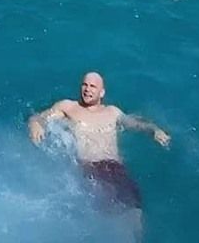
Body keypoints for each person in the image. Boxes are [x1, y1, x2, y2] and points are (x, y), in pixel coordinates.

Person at [28, 72, 170, 239]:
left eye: (93, 86)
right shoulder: (68, 108)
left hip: (117, 169)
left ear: (102, 92)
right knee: (111, 214)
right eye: (85, 85)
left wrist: (153, 130)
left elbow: (135, 123)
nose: (87, 89)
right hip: (91, 169)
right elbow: (40, 117)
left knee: (135, 212)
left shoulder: (112, 112)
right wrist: (35, 125)